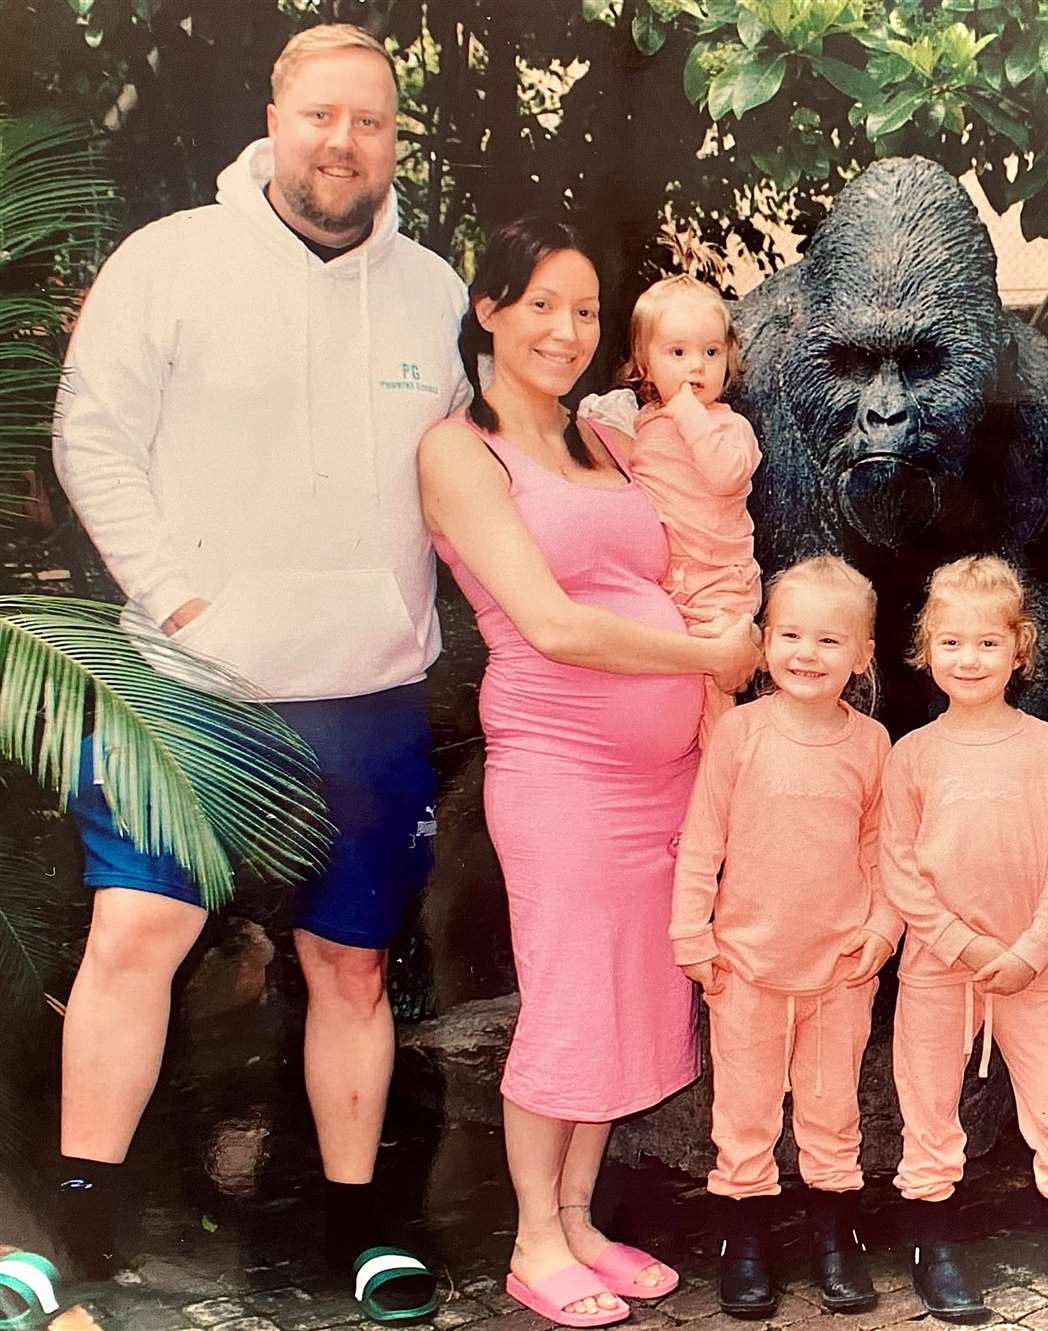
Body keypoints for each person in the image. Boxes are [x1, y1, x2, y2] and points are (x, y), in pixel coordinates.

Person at [50, 23, 468, 1320]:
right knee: (135, 934)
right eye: (322, 114)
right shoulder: (168, 263)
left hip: (365, 692)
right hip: (189, 684)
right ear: (275, 113)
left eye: (374, 122)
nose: (346, 143)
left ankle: (360, 1228)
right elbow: (94, 439)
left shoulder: (436, 292)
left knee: (350, 964)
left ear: (397, 138)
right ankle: (77, 1225)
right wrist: (181, 597)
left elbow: (479, 466)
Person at [418, 214, 761, 1329]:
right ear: (490, 312)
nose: (565, 330)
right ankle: (529, 1243)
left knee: (627, 996)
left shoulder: (611, 439)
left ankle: (578, 1221)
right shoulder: (457, 449)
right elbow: (556, 623)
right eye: (540, 305)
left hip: (665, 777)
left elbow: (693, 535)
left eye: (582, 310)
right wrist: (710, 653)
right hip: (561, 768)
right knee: (568, 1001)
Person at [670, 555, 901, 1319]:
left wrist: (881, 927)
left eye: (830, 640)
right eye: (791, 634)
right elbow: (703, 840)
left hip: (839, 968)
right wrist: (693, 935)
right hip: (744, 965)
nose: (807, 652)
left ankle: (836, 1239)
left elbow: (882, 849)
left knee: (832, 1109)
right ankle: (746, 1244)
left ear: (862, 656)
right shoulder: (739, 733)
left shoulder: (872, 745)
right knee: (745, 1110)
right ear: (765, 642)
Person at [880, 555, 1048, 1320]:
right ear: (926, 651)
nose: (969, 658)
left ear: (1020, 649)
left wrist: (1031, 946)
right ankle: (934, 1240)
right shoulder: (914, 755)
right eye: (952, 642)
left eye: (988, 643)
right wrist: (961, 943)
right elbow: (899, 869)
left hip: (1034, 967)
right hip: (940, 966)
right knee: (929, 1104)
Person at [584, 274, 761, 746]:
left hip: (718, 587)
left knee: (715, 702)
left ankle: (722, 794)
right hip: (665, 587)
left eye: (710, 352)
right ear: (645, 363)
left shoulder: (729, 427)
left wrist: (688, 413)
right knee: (669, 690)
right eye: (677, 353)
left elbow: (726, 475)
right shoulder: (643, 424)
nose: (696, 367)